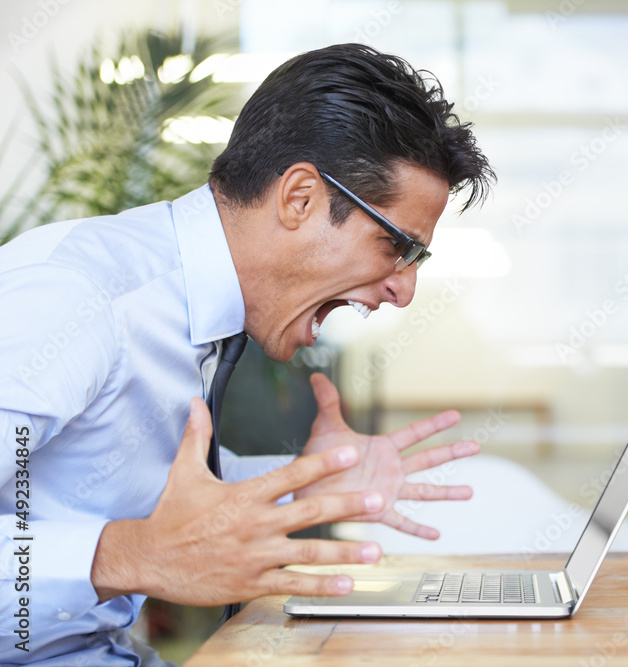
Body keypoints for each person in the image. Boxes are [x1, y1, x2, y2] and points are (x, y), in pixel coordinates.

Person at [0, 43, 494, 665]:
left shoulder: (193, 310)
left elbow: (118, 484)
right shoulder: (77, 296)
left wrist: (308, 485)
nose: (404, 289)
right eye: (398, 246)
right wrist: (132, 557)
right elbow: (140, 538)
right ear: (300, 198)